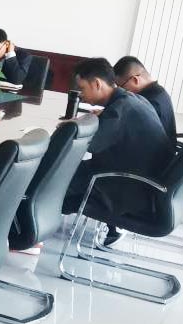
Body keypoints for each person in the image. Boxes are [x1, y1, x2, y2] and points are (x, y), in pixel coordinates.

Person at [63, 58, 174, 246]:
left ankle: (28, 233)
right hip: (143, 185)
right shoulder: (132, 100)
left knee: (54, 179)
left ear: (97, 84)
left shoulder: (121, 108)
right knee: (62, 179)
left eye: (82, 88)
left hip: (129, 189)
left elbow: (89, 145)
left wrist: (73, 127)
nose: (80, 95)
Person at [113, 56, 177, 139]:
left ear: (135, 80)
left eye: (121, 86)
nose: (121, 91)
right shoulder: (158, 92)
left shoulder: (149, 102)